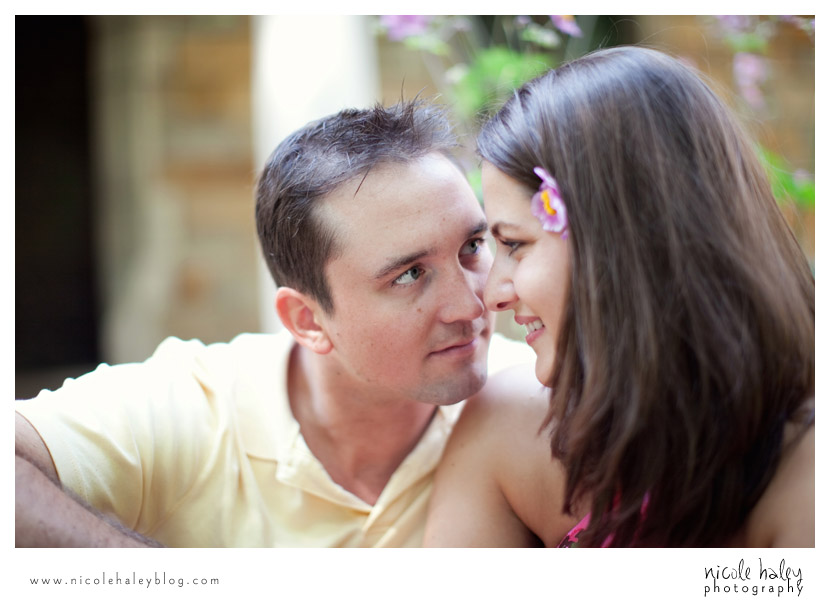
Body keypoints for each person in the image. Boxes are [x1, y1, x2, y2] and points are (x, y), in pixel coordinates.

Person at [15, 99, 534, 547]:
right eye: (410, 274)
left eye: (472, 247)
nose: (473, 305)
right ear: (307, 320)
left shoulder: (534, 396)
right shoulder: (195, 408)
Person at [424, 46, 815, 547]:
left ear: (617, 241)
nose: (491, 295)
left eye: (515, 245)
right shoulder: (506, 426)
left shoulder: (804, 470)